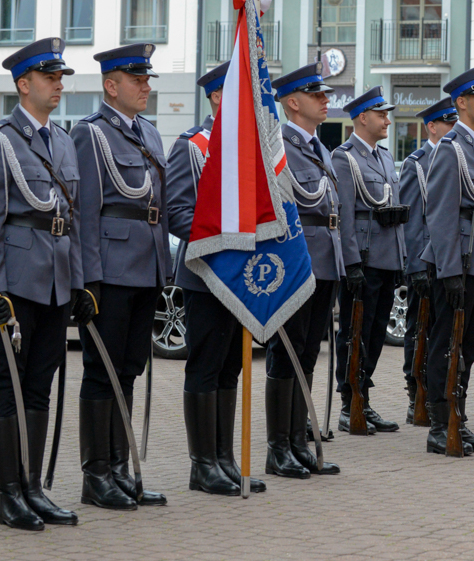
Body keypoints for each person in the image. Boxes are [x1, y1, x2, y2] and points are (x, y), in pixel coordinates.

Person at [0, 37, 85, 530]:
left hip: (54, 282)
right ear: (23, 84)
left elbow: (70, 219)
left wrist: (79, 282)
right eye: (49, 77)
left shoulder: (63, 141)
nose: (58, 85)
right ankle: (7, 494)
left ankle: (33, 487)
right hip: (13, 284)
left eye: (60, 78)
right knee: (5, 385)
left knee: (39, 386)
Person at [72, 43, 170, 510]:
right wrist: (88, 278)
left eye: (147, 79)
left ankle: (120, 468)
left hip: (146, 267)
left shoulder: (149, 133)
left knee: (128, 370)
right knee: (102, 371)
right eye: (137, 80)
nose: (145, 87)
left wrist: (163, 266)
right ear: (111, 86)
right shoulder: (90, 134)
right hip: (110, 271)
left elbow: (158, 207)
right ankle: (96, 476)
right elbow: (85, 210)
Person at [164, 62, 266, 495]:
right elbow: (178, 212)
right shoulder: (193, 146)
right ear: (218, 97)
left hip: (241, 277)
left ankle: (225, 459)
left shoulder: (250, 149)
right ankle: (202, 464)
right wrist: (222, 246)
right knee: (206, 366)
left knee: (230, 367)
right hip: (206, 275)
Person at [260, 62, 345, 476]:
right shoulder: (278, 146)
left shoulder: (319, 148)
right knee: (287, 352)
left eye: (325, 94)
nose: (325, 100)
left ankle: (298, 442)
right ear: (293, 103)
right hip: (296, 261)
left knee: (308, 354)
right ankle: (278, 449)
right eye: (317, 94)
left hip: (325, 259)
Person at [421, 67, 474, 455]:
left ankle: (458, 417)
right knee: (446, 344)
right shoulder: (450, 148)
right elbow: (440, 214)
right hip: (460, 262)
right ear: (461, 102)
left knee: (468, 346)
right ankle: (440, 425)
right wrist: (450, 270)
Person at [331, 86, 407, 434]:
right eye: (381, 114)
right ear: (363, 118)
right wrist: (350, 264)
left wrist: (401, 259)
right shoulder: (345, 158)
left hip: (386, 258)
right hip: (363, 259)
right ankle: (349, 403)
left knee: (375, 335)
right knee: (354, 333)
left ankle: (364, 397)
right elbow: (345, 215)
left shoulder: (385, 158)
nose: (387, 120)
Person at [400, 97, 457, 424]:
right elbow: (412, 220)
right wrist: (417, 266)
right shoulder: (417, 164)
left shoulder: (457, 158)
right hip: (426, 262)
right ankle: (415, 393)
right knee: (419, 329)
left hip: (448, 261)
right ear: (431, 127)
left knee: (443, 332)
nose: (453, 128)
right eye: (448, 123)